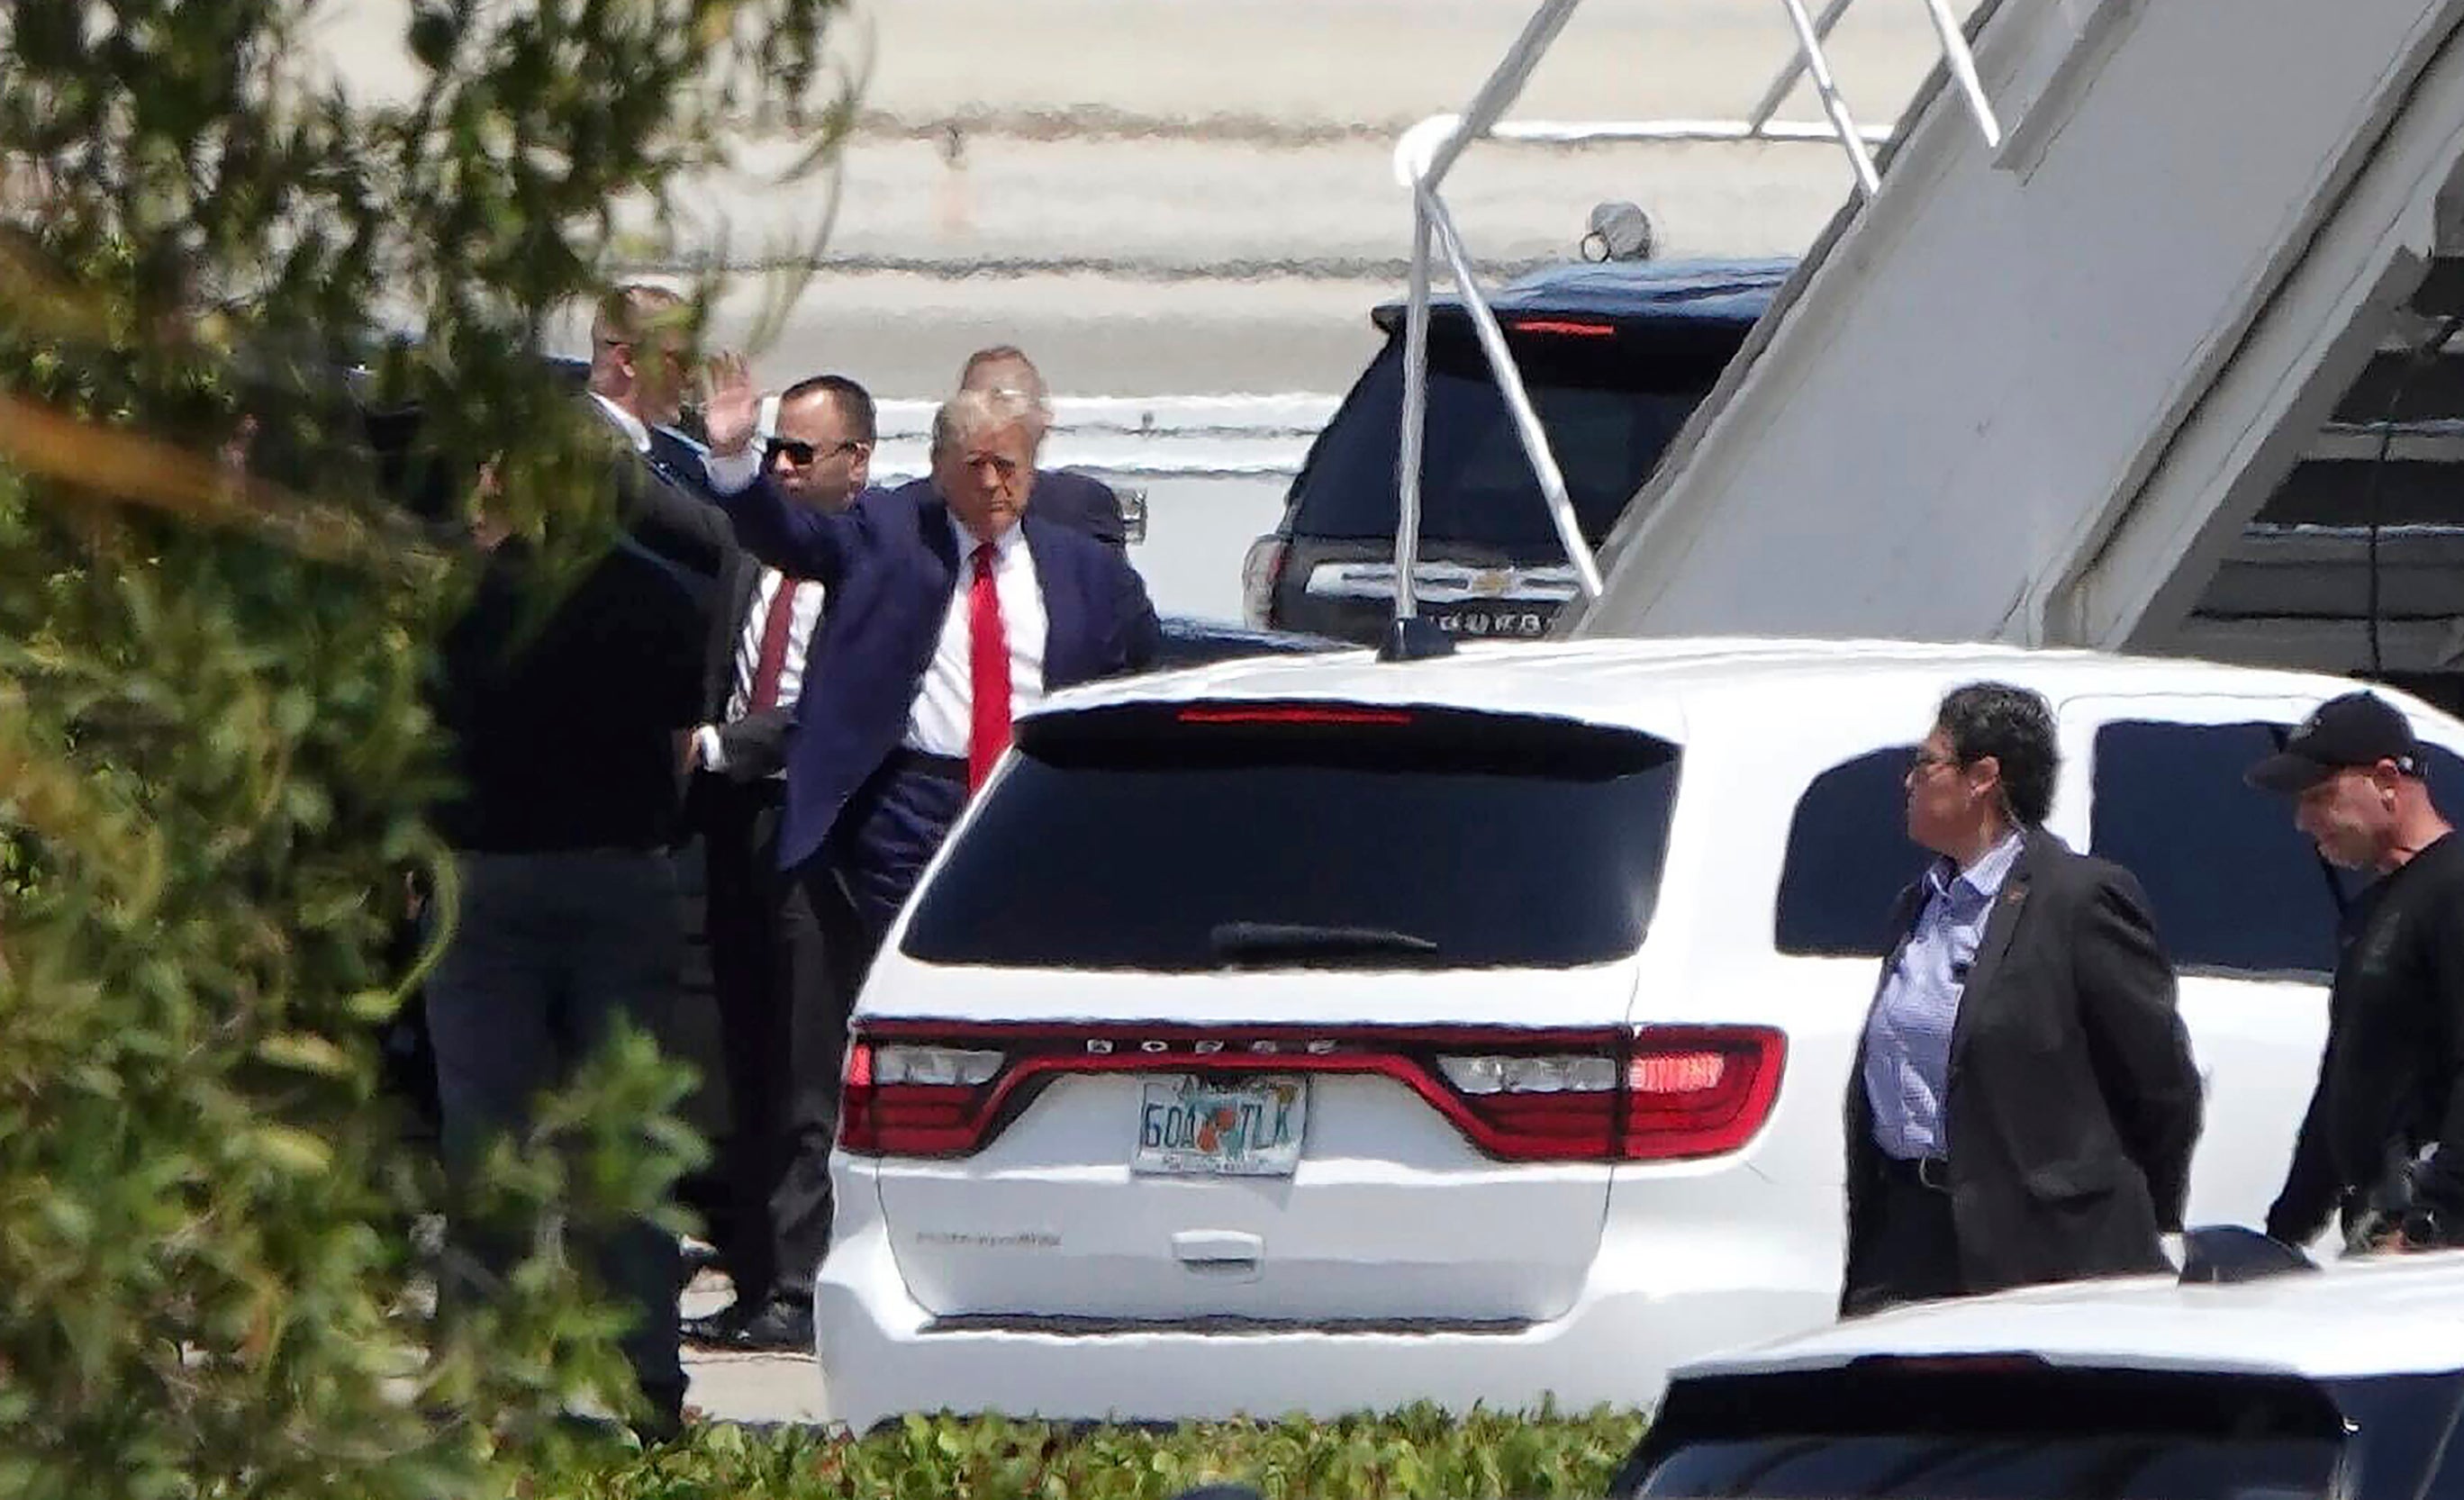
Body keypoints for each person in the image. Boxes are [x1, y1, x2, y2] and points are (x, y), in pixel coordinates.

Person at [424, 284, 734, 1441]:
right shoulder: (658, 595)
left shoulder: (461, 596)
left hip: (487, 880)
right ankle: (645, 1377)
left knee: (485, 1142)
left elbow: (424, 736)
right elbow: (677, 732)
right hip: (620, 869)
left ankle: (476, 1378)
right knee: (627, 1143)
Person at [695, 357, 1159, 974]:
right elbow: (794, 537)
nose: (994, 483)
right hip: (912, 806)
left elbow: (1137, 661)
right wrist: (734, 463)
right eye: (977, 467)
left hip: (1029, 800)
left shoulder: (1086, 570)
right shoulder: (890, 533)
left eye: (1009, 467)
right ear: (941, 471)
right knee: (907, 976)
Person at [1841, 682, 2202, 1316]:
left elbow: (2160, 1085)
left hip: (2042, 1248)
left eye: (1926, 764)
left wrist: (2136, 1207)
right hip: (1910, 1238)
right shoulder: (1919, 904)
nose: (1908, 781)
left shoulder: (2078, 899)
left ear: (1983, 777)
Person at [681, 374, 875, 1351]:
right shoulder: (746, 553)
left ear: (858, 463)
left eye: (804, 454)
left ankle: (799, 1285)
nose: (786, 471)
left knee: (807, 1061)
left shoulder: (873, 562)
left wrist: (722, 747)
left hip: (812, 828)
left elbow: (832, 707)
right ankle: (754, 1274)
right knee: (741, 1054)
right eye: (777, 454)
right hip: (730, 827)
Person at [2251, 691, 2464, 1254]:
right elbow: (2347, 1074)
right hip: (2379, 1218)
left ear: (2387, 781)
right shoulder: (2372, 911)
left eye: (2321, 797)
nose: (2303, 821)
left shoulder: (2454, 887)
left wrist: (2433, 1218)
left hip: (2434, 1240)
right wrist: (2285, 1231)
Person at [882, 346, 1128, 549]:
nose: (995, 421)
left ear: (1043, 421)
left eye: (1011, 406)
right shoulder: (903, 519)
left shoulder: (1079, 510)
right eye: (977, 408)